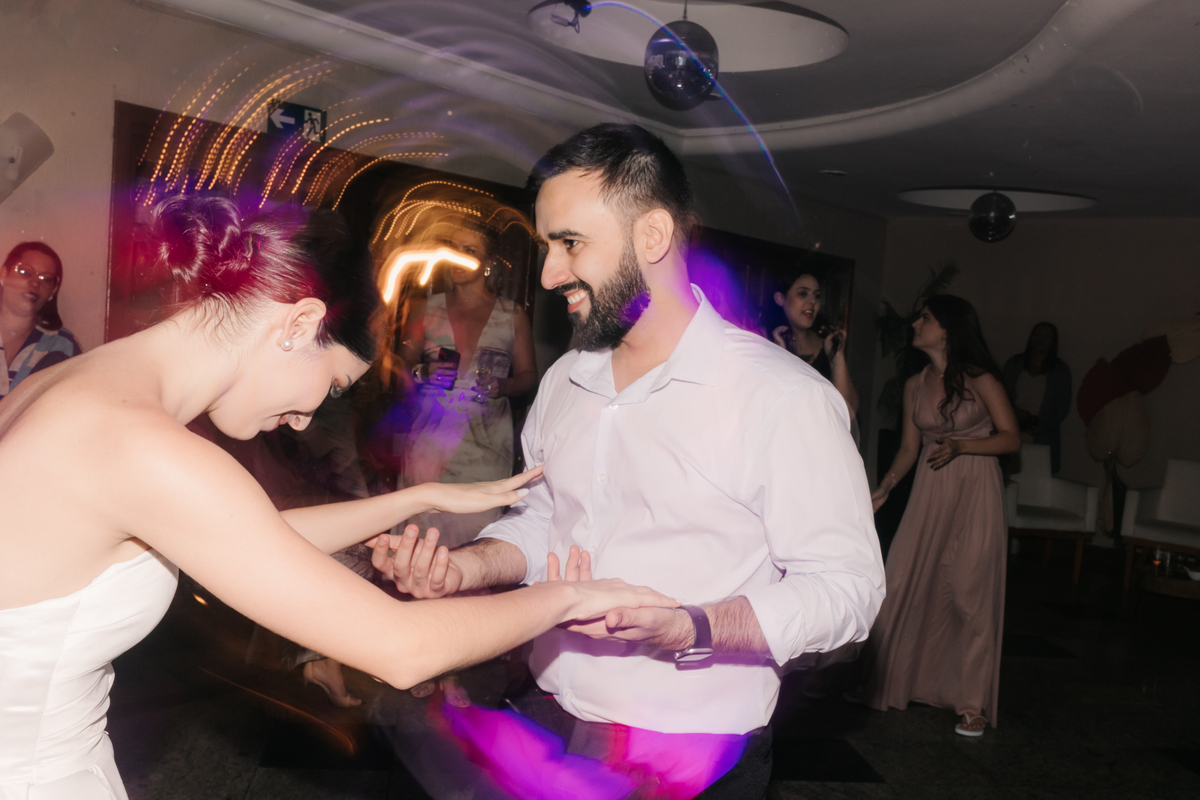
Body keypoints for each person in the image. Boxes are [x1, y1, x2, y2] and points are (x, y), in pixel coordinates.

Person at [0, 195, 676, 800]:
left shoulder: (73, 386)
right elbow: (402, 648)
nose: (303, 420)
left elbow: (249, 535)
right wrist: (572, 597)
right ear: (299, 324)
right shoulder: (140, 445)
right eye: (329, 386)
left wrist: (419, 497)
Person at [373, 123, 884, 799]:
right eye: (547, 247)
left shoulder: (783, 397)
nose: (550, 274)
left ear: (652, 235)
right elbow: (544, 520)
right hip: (554, 719)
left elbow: (847, 589)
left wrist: (691, 626)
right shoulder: (565, 381)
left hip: (694, 753)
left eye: (570, 243)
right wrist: (463, 569)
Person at [862, 294, 1019, 737]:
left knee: (969, 592)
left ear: (948, 329)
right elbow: (908, 449)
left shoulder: (980, 378)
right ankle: (892, 681)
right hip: (930, 490)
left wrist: (964, 445)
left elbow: (1011, 438)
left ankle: (971, 703)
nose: (916, 323)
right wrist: (885, 487)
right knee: (902, 578)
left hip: (975, 488)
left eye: (926, 318)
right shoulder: (914, 384)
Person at [397, 214, 539, 549]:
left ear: (488, 263)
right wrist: (421, 373)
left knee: (473, 546)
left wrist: (503, 386)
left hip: (486, 448)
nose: (456, 258)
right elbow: (396, 369)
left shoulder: (511, 315)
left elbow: (529, 377)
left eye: (469, 250)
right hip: (429, 443)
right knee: (420, 540)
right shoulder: (424, 309)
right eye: (452, 248)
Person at [771, 265, 859, 417]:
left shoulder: (825, 343)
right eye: (803, 293)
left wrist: (837, 357)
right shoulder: (763, 340)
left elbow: (848, 412)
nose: (812, 301)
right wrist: (780, 357)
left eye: (817, 296)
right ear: (780, 298)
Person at [0, 242, 81, 400]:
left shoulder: (63, 346)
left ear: (53, 290)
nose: (35, 283)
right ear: (3, 275)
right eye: (25, 272)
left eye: (46, 279)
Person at [1003, 321, 1072, 473]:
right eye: (1037, 334)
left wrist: (1045, 427)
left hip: (1043, 433)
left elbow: (1063, 405)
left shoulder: (1060, 370)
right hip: (1014, 428)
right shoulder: (1014, 364)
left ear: (1053, 342)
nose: (1041, 339)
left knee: (1038, 475)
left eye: (1047, 336)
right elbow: (1002, 396)